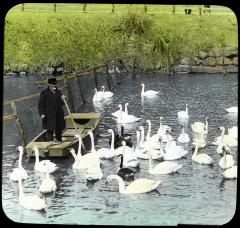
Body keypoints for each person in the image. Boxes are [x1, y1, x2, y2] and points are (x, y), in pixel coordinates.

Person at [38, 77, 66, 143]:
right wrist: (42, 113)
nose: (54, 86)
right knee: (49, 129)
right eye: (53, 84)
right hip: (49, 114)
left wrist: (62, 99)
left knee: (59, 129)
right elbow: (40, 104)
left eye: (55, 84)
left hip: (58, 114)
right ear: (49, 85)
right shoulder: (44, 93)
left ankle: (59, 141)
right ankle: (49, 143)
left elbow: (62, 104)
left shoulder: (59, 92)